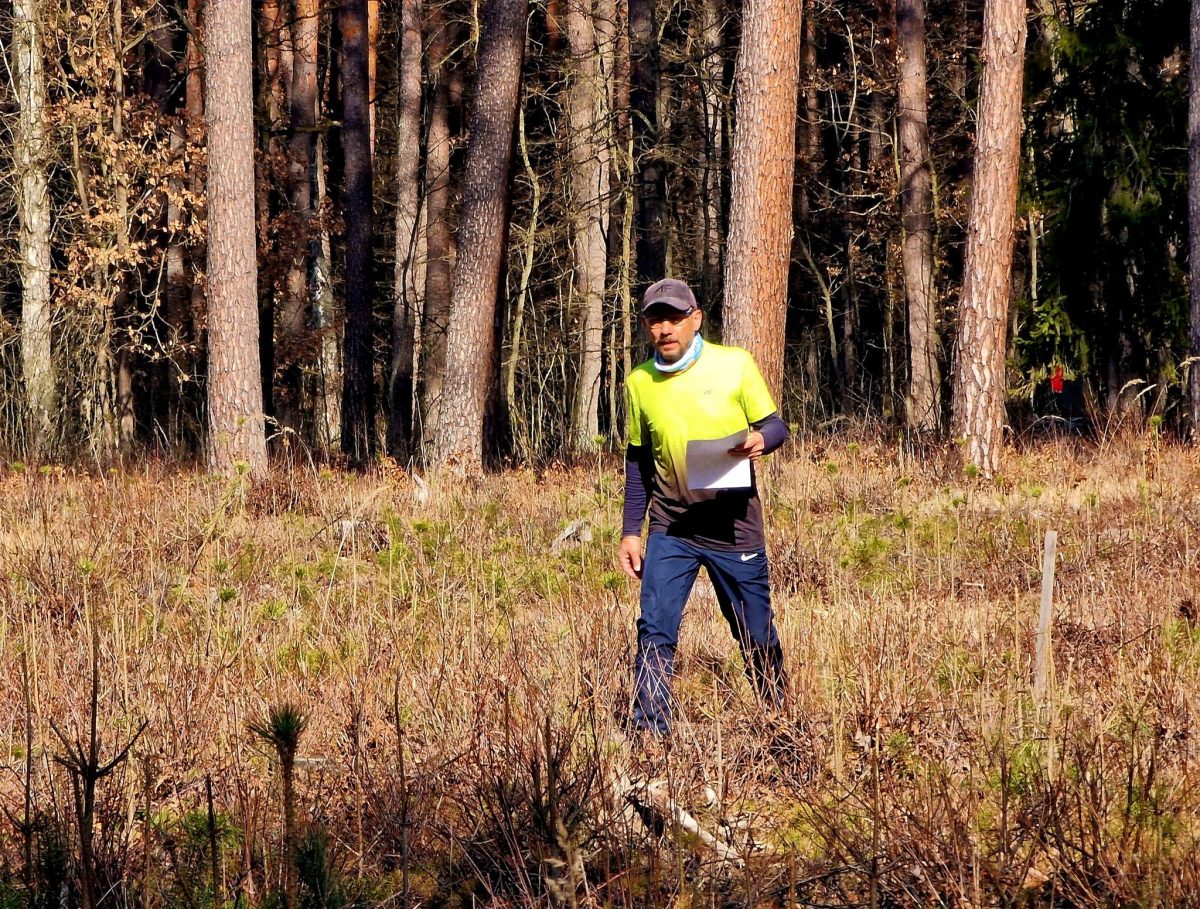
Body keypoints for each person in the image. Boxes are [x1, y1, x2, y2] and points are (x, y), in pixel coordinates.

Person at [619, 278, 790, 737]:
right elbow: (638, 459)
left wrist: (760, 440)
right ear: (645, 327)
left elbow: (776, 426)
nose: (666, 328)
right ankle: (650, 734)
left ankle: (780, 721)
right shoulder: (639, 382)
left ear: (695, 319)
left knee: (753, 632)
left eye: (675, 318)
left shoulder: (734, 365)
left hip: (733, 524)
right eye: (656, 320)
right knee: (655, 629)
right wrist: (630, 531)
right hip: (671, 527)